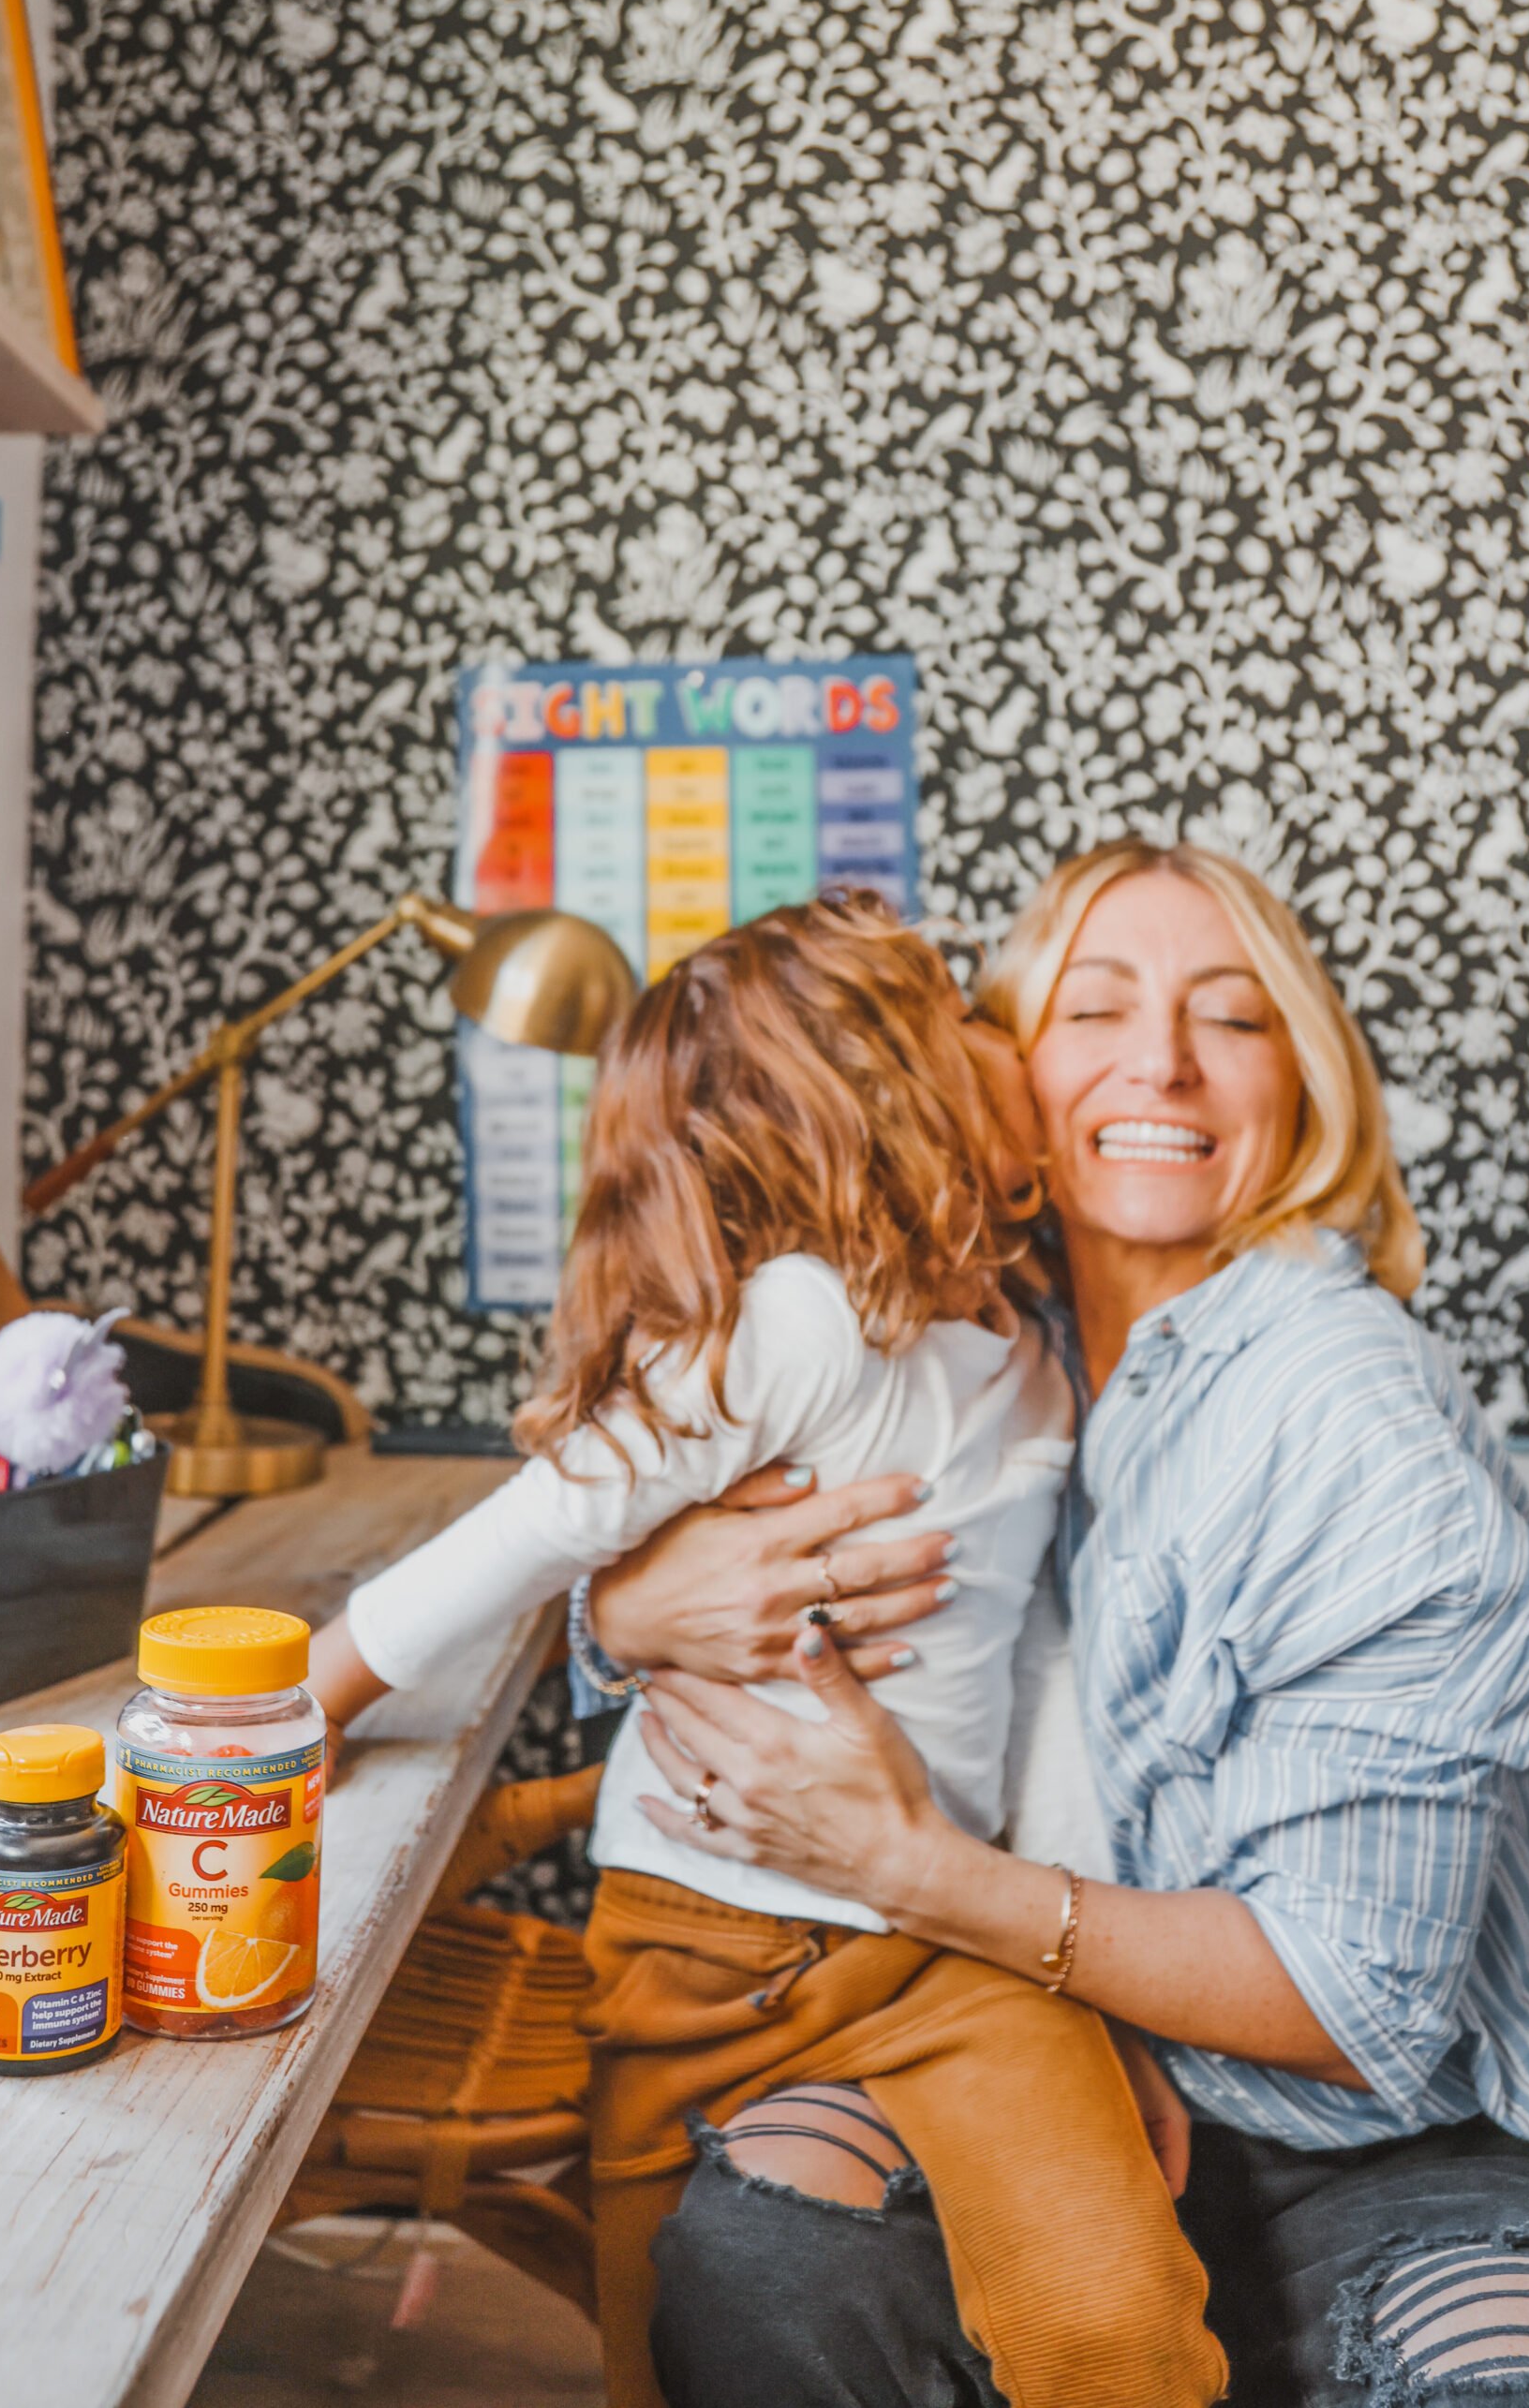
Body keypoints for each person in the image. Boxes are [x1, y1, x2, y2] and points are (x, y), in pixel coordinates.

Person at [586, 839, 1529, 2408]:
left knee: (1520, 2386)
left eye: (1231, 1019)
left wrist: (914, 1869)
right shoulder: (952, 1316)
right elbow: (629, 1479)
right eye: (1095, 1008)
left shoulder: (1340, 1405)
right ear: (1005, 1069)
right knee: (767, 2252)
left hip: (1406, 2141)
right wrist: (625, 1603)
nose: (1160, 1059)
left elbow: (1356, 2003)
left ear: (1304, 1085)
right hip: (1027, 2064)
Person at [306, 890, 1225, 2408]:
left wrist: (1088, 1973)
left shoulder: (1041, 1352)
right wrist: (314, 1692)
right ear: (890, 1093)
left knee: (1118, 2330)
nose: (1011, 1044)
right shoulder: (802, 1325)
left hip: (957, 1949)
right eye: (963, 1016)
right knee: (664, 2343)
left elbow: (1043, 1666)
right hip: (696, 1946)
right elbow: (540, 1523)